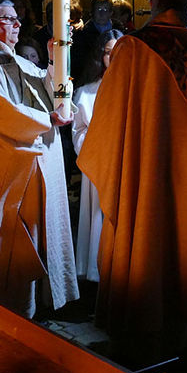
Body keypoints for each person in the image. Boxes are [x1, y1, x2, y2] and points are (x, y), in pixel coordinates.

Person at [78, 0, 187, 364]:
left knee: (144, 238)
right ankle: (182, 330)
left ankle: (139, 334)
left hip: (145, 181)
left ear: (155, 4)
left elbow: (110, 121)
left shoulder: (133, 49)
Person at [0, 0, 78, 319]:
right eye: (8, 19)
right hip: (7, 174)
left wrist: (55, 61)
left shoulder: (21, 63)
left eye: (17, 18)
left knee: (37, 244)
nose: (18, 24)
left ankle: (35, 310)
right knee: (9, 247)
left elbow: (52, 94)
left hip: (39, 168)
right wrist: (46, 120)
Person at [72, 29, 123, 285]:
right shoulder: (87, 93)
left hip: (126, 167)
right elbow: (78, 131)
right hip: (97, 167)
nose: (112, 58)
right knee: (98, 221)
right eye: (107, 53)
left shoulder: (134, 89)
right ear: (100, 57)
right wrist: (97, 146)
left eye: (118, 53)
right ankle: (96, 273)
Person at [71, 0, 115, 87]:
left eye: (105, 10)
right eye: (98, 9)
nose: (102, 13)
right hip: (91, 81)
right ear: (92, 12)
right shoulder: (82, 34)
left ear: (111, 12)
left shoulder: (119, 31)